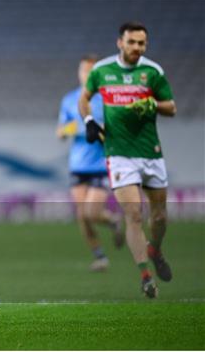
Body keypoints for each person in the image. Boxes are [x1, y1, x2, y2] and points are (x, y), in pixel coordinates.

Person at [79, 22, 176, 298]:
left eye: (141, 43)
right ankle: (146, 276)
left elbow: (172, 107)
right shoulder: (103, 71)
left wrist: (154, 104)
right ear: (120, 42)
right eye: (131, 42)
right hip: (119, 154)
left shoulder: (152, 72)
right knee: (134, 214)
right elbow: (84, 98)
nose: (136, 48)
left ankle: (155, 248)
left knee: (158, 216)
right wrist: (88, 121)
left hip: (150, 153)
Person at [57, 55, 124, 272]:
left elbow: (118, 130)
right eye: (83, 71)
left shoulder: (106, 99)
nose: (86, 75)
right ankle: (100, 256)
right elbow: (61, 131)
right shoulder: (69, 100)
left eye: (91, 71)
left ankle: (113, 221)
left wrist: (101, 130)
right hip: (78, 165)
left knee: (91, 212)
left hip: (101, 164)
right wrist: (77, 128)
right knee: (81, 214)